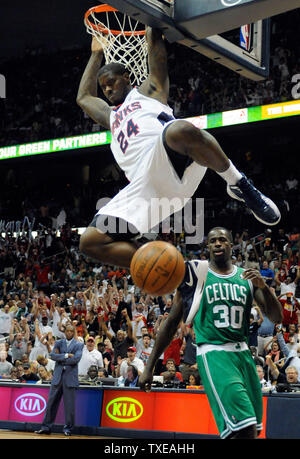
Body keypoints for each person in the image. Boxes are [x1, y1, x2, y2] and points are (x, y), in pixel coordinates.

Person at [77, 30, 281, 269]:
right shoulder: (110, 117)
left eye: (111, 82)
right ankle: (168, 266)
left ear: (127, 76)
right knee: (89, 242)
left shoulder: (148, 92)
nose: (108, 90)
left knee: (178, 130)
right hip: (145, 191)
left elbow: (156, 47)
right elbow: (83, 97)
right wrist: (96, 54)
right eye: (104, 88)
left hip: (171, 161)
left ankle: (238, 184)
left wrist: (150, 11)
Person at [139, 227, 283, 439]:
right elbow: (171, 323)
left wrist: (264, 288)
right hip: (215, 353)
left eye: (222, 240)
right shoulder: (195, 277)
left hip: (243, 355)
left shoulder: (247, 277)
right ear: (207, 246)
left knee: (250, 430)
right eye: (213, 240)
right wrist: (149, 366)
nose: (217, 243)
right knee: (244, 428)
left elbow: (277, 317)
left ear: (231, 245)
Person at [35, 324, 84, 436]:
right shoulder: (58, 343)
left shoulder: (79, 345)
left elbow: (76, 359)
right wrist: (66, 355)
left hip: (70, 378)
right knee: (51, 403)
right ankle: (46, 427)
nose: (69, 333)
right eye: (67, 331)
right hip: (57, 377)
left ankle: (68, 429)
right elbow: (52, 356)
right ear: (65, 331)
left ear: (74, 332)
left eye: (72, 331)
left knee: (69, 406)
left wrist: (60, 359)